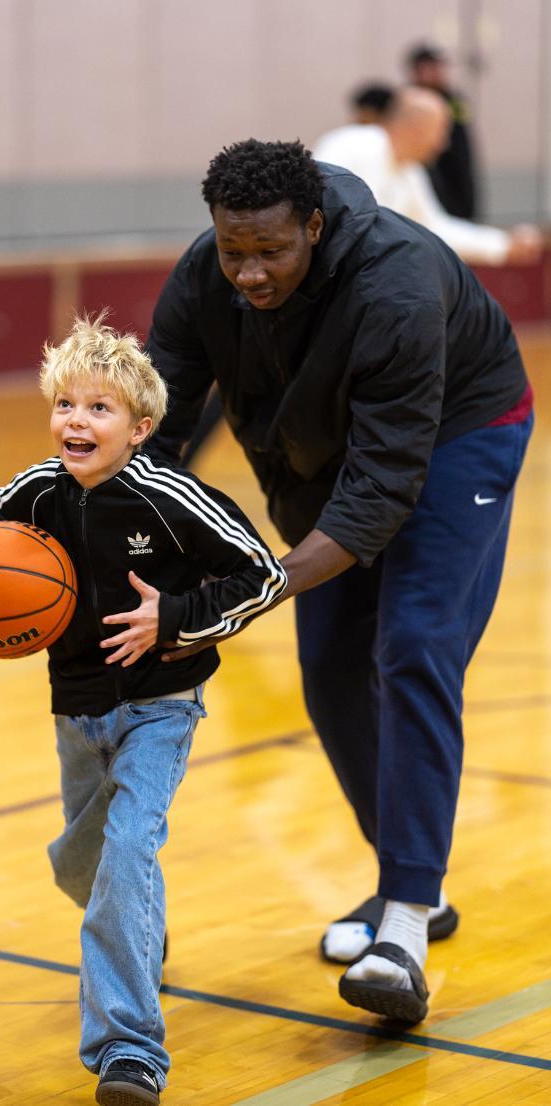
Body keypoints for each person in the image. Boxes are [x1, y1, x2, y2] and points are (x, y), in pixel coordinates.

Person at [143, 138, 533, 1025]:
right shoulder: (206, 273)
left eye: (269, 252)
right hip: (321, 452)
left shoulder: (395, 284)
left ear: (314, 227)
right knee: (326, 671)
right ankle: (414, 882)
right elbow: (156, 422)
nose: (247, 272)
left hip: (458, 435)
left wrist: (245, 591)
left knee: (413, 647)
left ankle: (403, 925)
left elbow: (378, 495)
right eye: (233, 250)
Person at [0, 315, 286, 1104]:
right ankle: (139, 928)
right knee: (83, 868)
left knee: (125, 853)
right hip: (76, 709)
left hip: (160, 705)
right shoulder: (38, 490)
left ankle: (130, 1053)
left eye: (99, 408)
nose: (76, 421)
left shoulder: (171, 495)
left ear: (139, 429)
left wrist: (171, 619)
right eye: (65, 405)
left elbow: (261, 574)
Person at [313, 86, 542, 266]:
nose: (443, 144)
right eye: (441, 131)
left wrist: (503, 244)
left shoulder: (409, 170)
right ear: (417, 127)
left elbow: (433, 228)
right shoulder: (355, 145)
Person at [406, 41, 477, 218]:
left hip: (454, 165)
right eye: (429, 68)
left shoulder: (453, 100)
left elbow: (462, 138)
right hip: (424, 166)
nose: (436, 72)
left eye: (439, 67)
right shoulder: (408, 100)